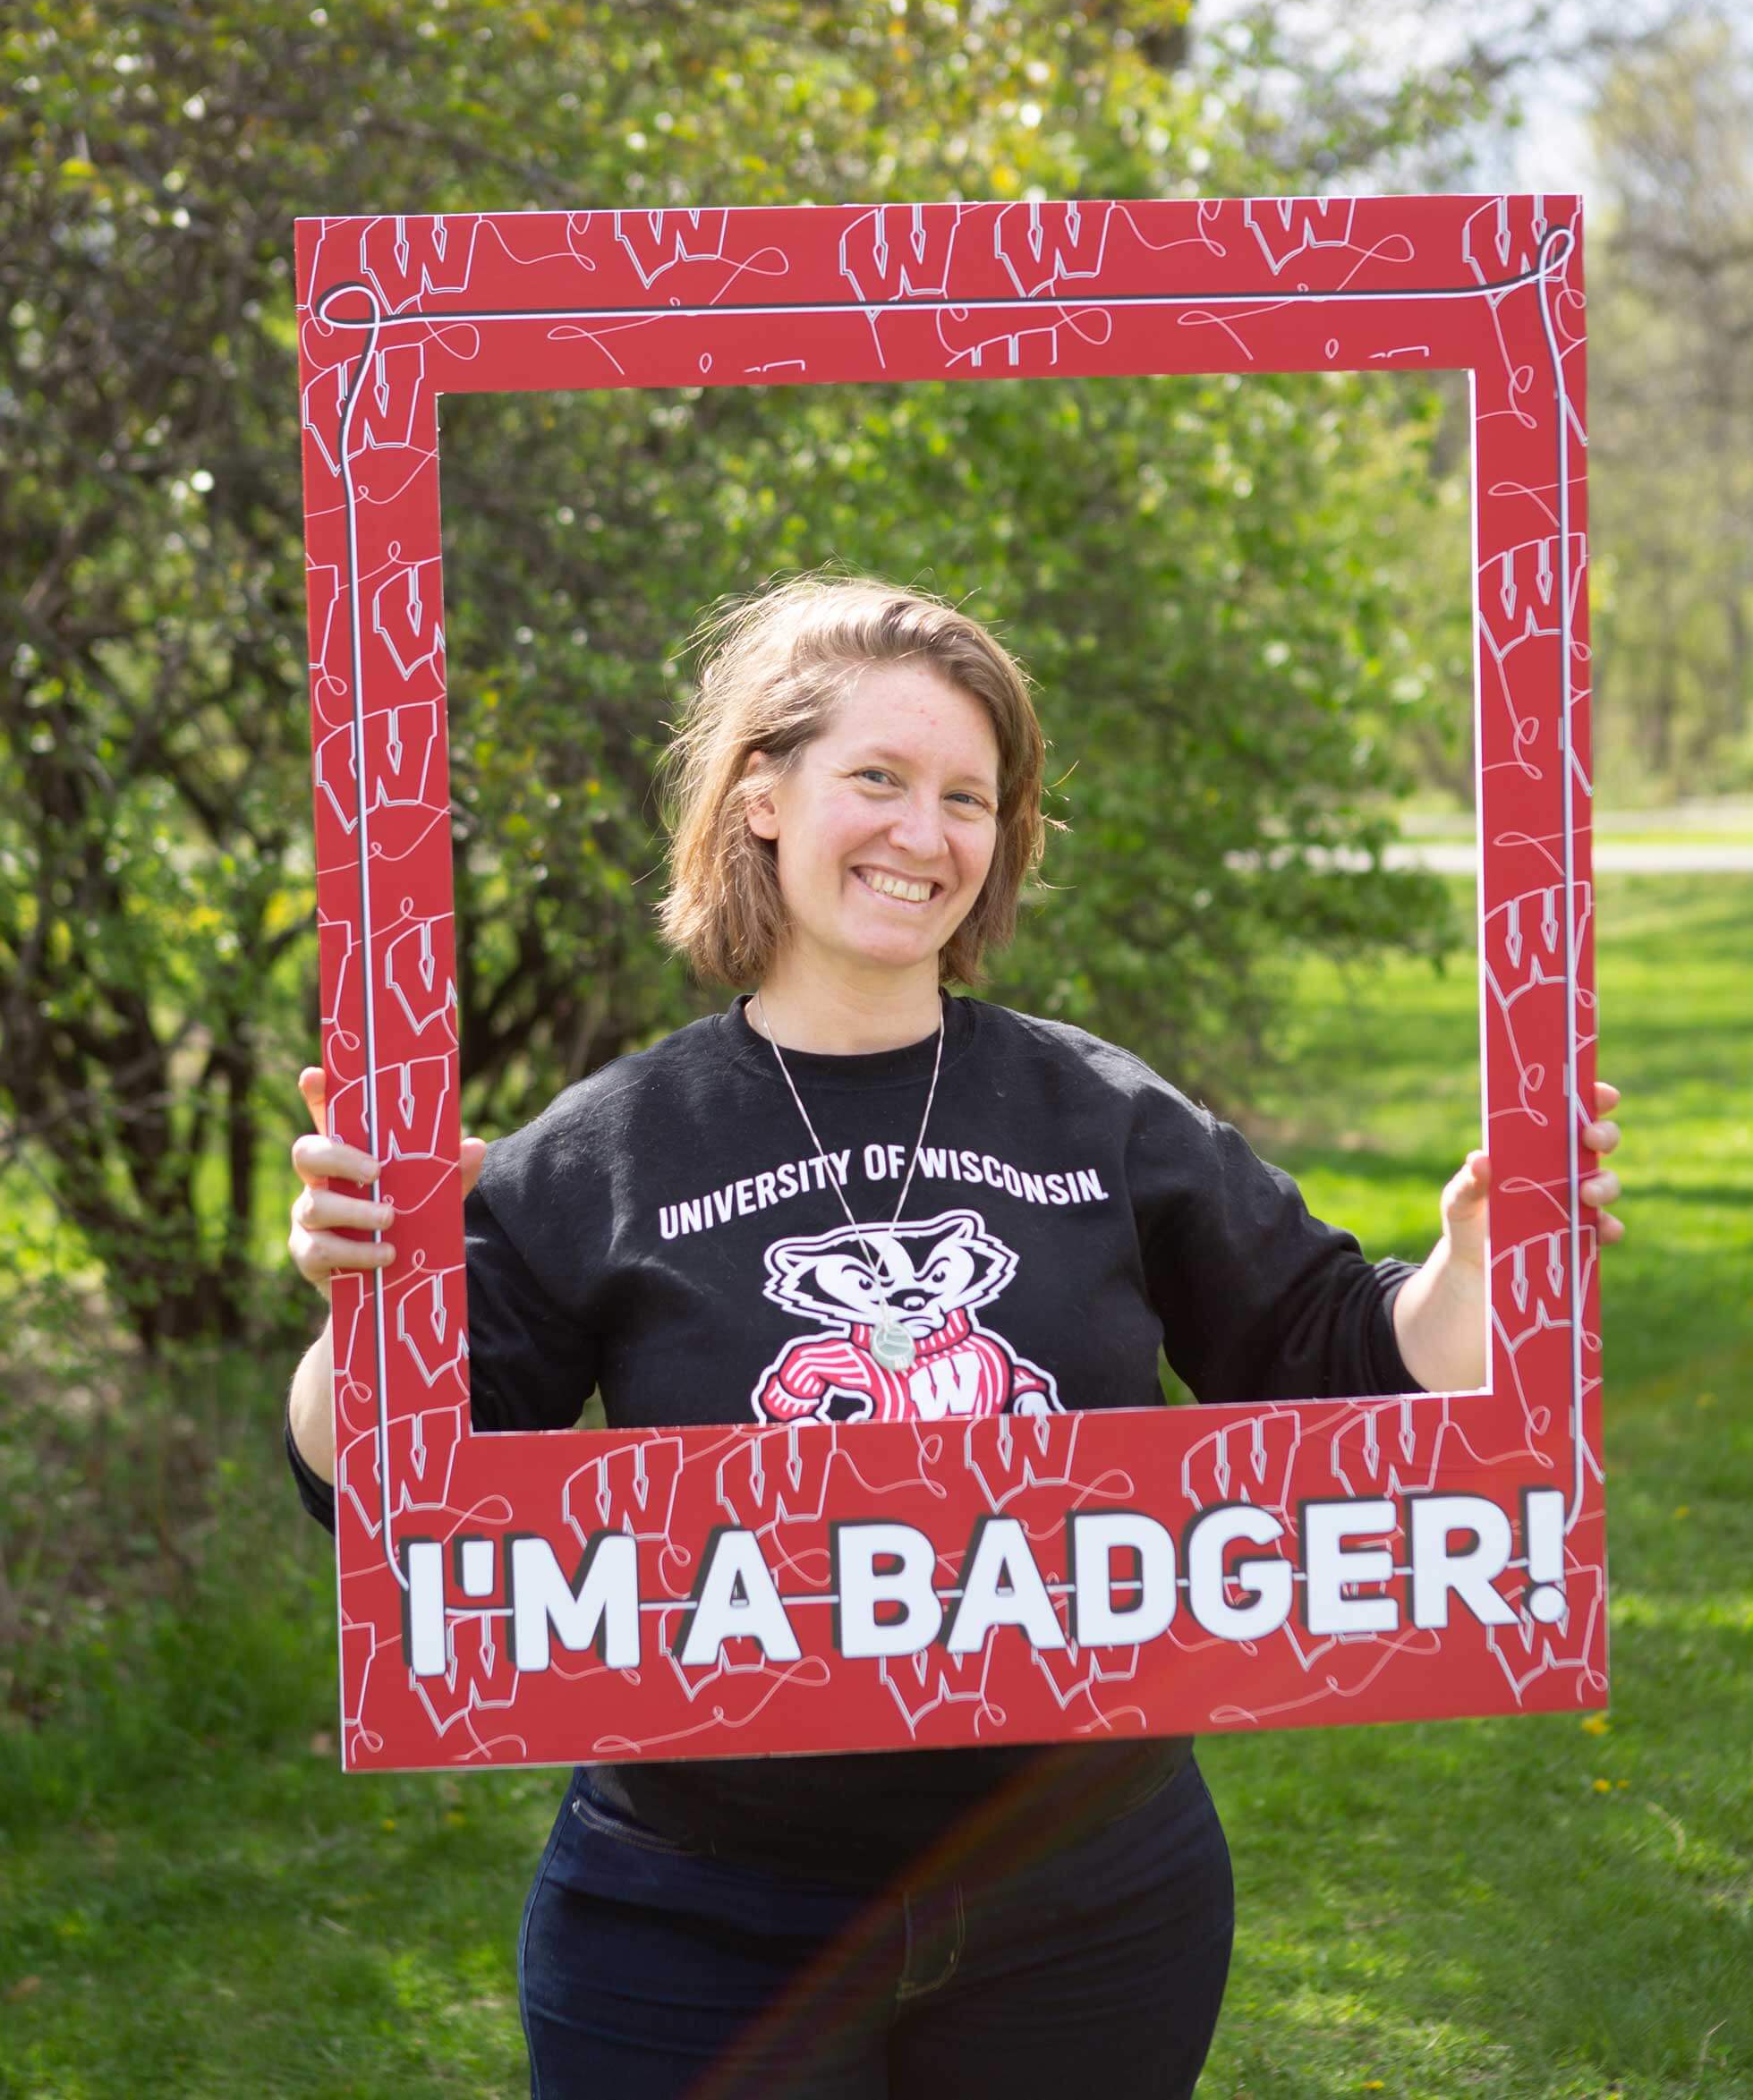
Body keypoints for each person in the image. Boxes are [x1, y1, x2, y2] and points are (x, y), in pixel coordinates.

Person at [284, 573, 1623, 2097]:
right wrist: (366, 1307)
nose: (925, 834)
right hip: (697, 1916)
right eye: (879, 778)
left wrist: (1480, 1255)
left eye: (968, 796)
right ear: (763, 796)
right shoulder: (613, 1147)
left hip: (1089, 1903)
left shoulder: (1102, 1113)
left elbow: (1351, 1362)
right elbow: (377, 1488)